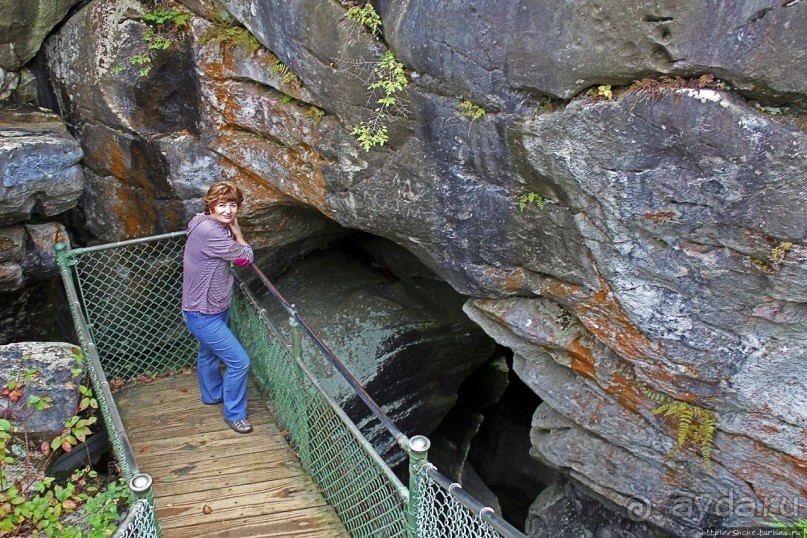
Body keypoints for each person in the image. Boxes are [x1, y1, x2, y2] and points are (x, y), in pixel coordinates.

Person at [182, 181, 255, 434]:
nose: (228, 211)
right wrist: (238, 233)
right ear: (210, 205)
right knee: (240, 362)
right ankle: (235, 414)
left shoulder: (200, 221)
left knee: (209, 354)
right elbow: (245, 258)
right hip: (203, 314)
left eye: (232, 205)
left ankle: (213, 395)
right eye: (222, 205)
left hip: (212, 307)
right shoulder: (211, 232)